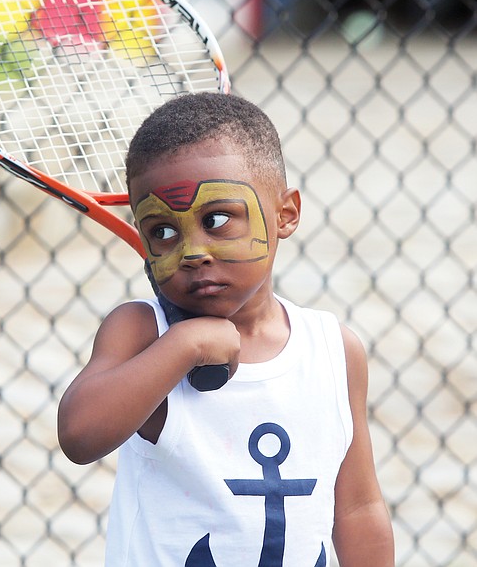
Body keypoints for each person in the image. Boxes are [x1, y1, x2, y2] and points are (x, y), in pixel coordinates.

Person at [57, 92, 394, 566]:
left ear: (285, 214)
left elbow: (358, 507)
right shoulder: (141, 331)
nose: (192, 251)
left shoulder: (334, 350)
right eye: (163, 232)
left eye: (217, 220)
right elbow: (80, 435)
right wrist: (184, 344)